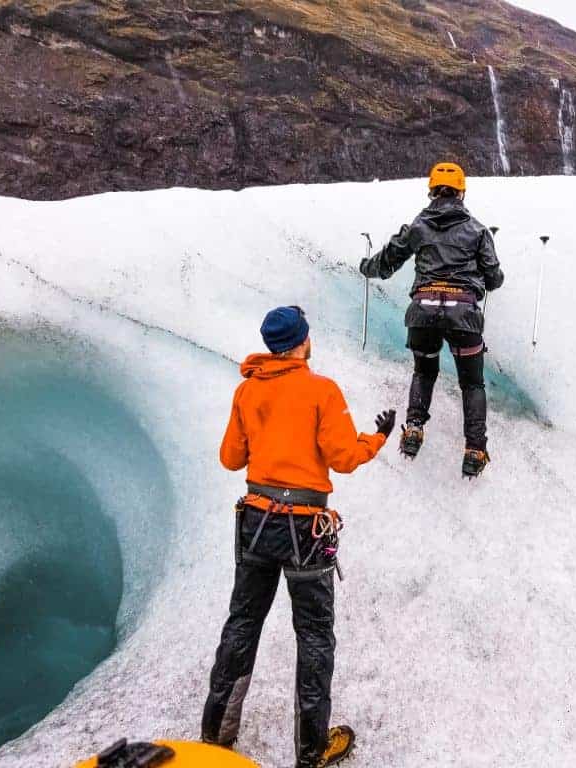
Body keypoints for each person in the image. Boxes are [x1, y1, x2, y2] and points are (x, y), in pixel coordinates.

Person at [201, 306, 395, 768]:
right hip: (305, 527)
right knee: (313, 636)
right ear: (303, 341)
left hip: (256, 520)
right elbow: (344, 458)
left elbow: (231, 459)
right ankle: (311, 751)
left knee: (243, 622)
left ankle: (215, 735)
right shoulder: (320, 390)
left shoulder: (247, 390)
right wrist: (378, 437)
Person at [358, 162, 504, 478]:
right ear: (461, 192)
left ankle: (413, 429)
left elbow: (388, 261)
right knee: (472, 382)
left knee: (425, 371)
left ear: (432, 191)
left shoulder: (419, 226)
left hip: (423, 312)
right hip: (462, 314)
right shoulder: (477, 230)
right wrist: (489, 277)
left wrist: (366, 267)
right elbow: (493, 278)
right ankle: (474, 450)